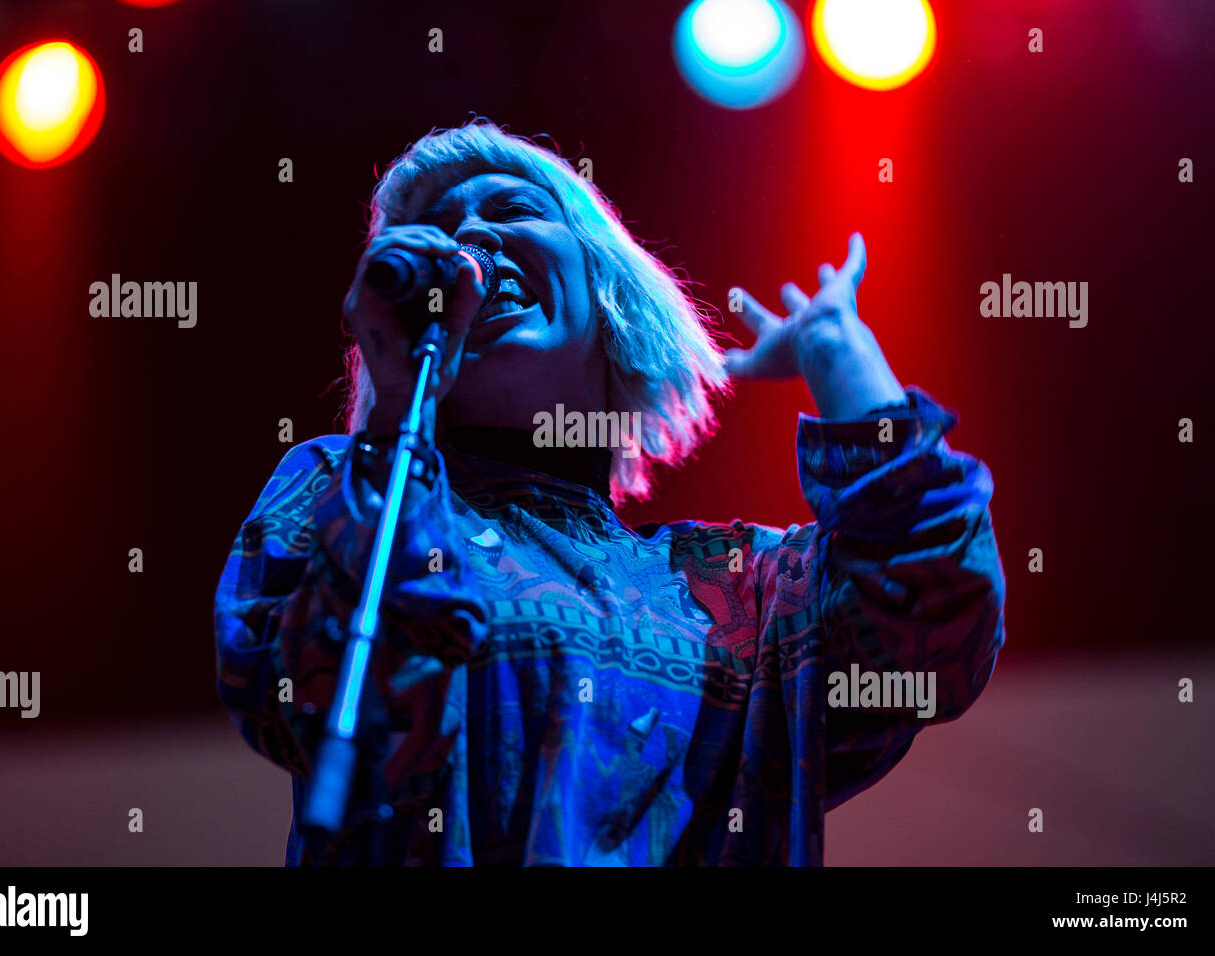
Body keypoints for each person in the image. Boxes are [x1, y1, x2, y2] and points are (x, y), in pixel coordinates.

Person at [213, 119, 1006, 866]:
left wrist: (838, 348)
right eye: (440, 236)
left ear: (607, 288)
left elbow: (933, 613)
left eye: (513, 209)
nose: (471, 245)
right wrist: (391, 422)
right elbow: (295, 691)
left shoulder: (736, 589)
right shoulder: (347, 488)